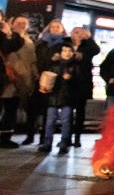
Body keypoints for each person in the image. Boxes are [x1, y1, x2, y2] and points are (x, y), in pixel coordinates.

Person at [24, 20, 66, 145]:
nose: (55, 28)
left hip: (54, 80)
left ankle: (44, 137)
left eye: (58, 27)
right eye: (52, 26)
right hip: (38, 78)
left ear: (62, 29)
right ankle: (30, 135)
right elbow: (34, 59)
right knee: (32, 109)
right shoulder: (41, 43)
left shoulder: (64, 44)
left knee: (48, 110)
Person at [39, 40, 77, 155]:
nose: (67, 53)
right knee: (50, 120)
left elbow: (81, 80)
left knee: (66, 121)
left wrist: (71, 79)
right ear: (60, 52)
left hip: (68, 97)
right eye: (64, 50)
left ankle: (64, 143)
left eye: (69, 51)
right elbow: (46, 76)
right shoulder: (54, 64)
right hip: (53, 97)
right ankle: (47, 143)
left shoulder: (75, 66)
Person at [68, 26, 100, 148]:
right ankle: (66, 136)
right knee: (68, 112)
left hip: (82, 82)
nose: (78, 35)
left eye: (80, 33)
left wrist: (88, 38)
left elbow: (96, 50)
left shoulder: (88, 46)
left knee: (80, 112)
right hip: (68, 82)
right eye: (75, 32)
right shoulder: (66, 43)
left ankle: (77, 137)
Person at [0, 15, 25, 148]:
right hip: (5, 77)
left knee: (10, 108)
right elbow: (10, 46)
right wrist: (9, 33)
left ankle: (5, 137)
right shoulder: (7, 36)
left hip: (11, 77)